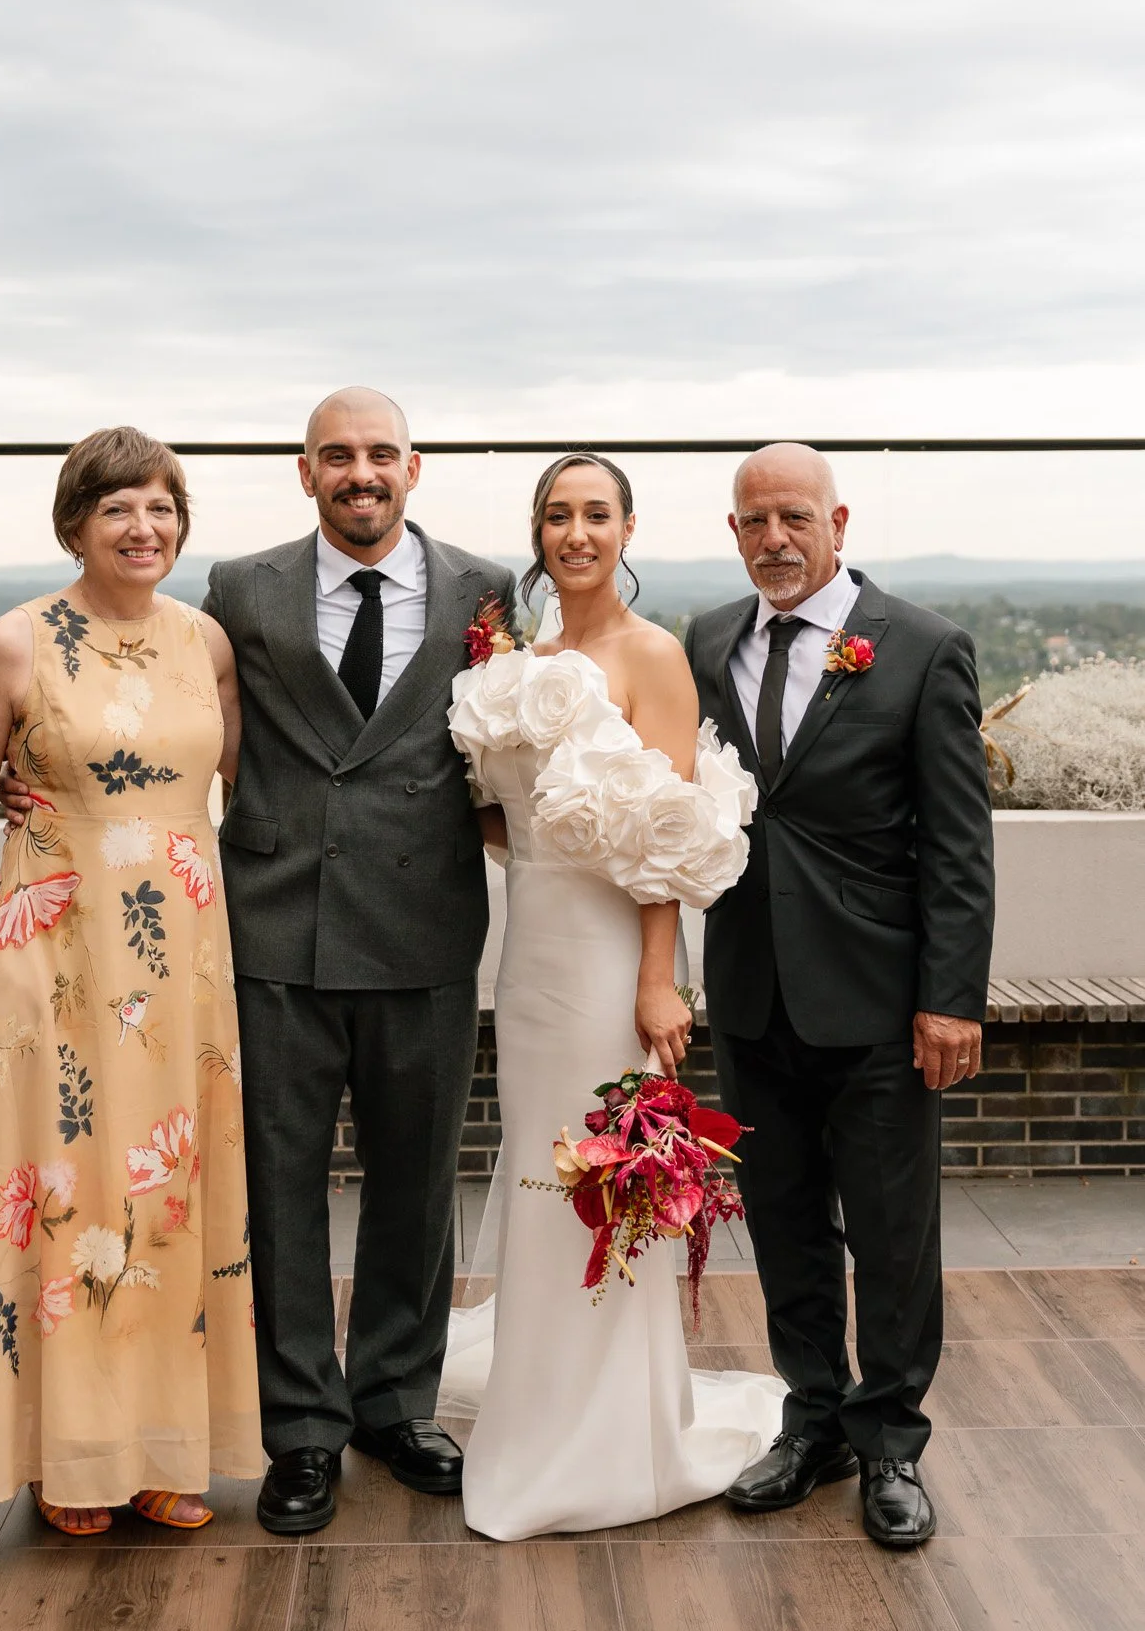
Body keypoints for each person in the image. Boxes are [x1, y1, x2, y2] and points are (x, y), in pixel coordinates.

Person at [441, 452, 785, 1541]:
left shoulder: (656, 657)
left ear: (628, 527)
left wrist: (655, 979)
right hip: (533, 941)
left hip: (606, 959)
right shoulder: (522, 662)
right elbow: (507, 816)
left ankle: (612, 1423)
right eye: (557, 514)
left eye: (596, 513)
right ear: (536, 531)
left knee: (604, 1169)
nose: (575, 532)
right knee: (540, 1159)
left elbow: (672, 837)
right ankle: (539, 1391)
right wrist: (522, 839)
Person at [201, 387, 516, 1535]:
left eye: (380, 452)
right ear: (306, 472)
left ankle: (394, 1400)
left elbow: (504, 750)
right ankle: (300, 1429)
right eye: (338, 455)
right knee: (279, 1193)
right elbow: (194, 721)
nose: (360, 471)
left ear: (414, 467)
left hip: (425, 927)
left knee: (415, 1182)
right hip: (275, 929)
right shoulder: (241, 587)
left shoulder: (488, 587)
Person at [0, 426, 261, 1533]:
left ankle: (167, 1448)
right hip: (54, 954)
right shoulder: (13, 643)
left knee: (171, 1198)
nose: (145, 527)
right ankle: (68, 1454)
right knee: (67, 1191)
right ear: (75, 520)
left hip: (183, 960)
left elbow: (240, 786)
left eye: (163, 506)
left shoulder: (207, 641)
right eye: (120, 507)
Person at [685, 442, 995, 1549]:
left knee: (891, 1233)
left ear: (838, 520)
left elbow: (959, 844)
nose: (775, 536)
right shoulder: (710, 638)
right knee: (784, 1221)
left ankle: (892, 1443)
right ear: (735, 531)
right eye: (755, 519)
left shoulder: (921, 649)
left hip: (878, 997)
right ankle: (811, 1417)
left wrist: (951, 996)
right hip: (753, 991)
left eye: (794, 516)